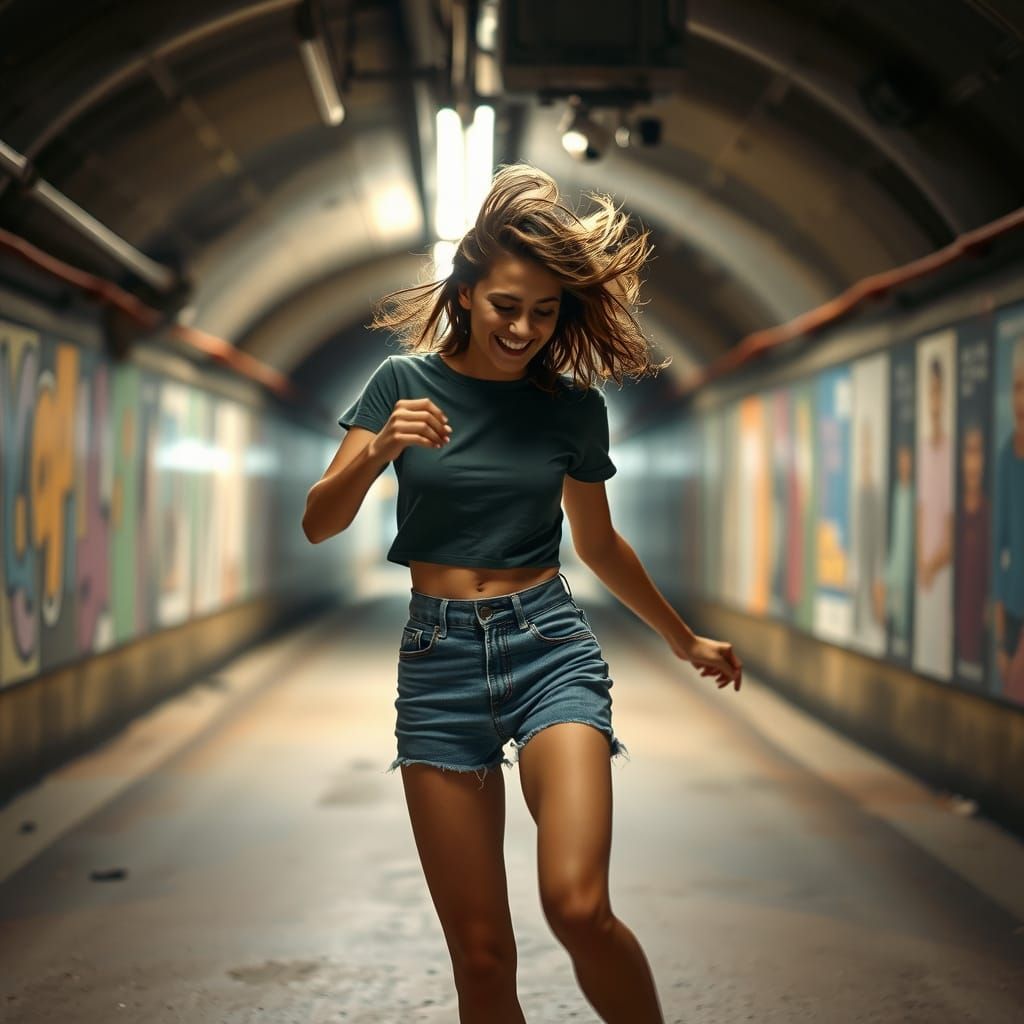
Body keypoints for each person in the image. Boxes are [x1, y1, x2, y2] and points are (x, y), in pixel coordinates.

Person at [302, 164, 743, 1024]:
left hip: (550, 651)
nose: (525, 328)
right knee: (482, 955)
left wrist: (681, 637)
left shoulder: (572, 411)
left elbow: (600, 543)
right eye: (508, 306)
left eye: (545, 313)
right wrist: (378, 448)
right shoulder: (401, 385)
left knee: (577, 906)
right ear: (467, 294)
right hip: (438, 666)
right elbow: (320, 520)